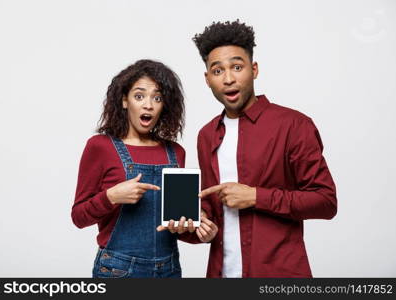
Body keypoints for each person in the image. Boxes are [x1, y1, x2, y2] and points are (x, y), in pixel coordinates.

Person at [192, 20, 338, 278]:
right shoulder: (206, 135)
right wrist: (202, 225)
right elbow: (214, 215)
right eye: (218, 71)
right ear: (207, 79)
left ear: (254, 69)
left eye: (237, 67)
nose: (228, 79)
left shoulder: (294, 125)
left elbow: (325, 201)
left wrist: (256, 197)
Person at [71, 59, 216, 278]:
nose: (148, 105)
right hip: (117, 270)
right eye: (139, 96)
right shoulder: (100, 146)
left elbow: (175, 225)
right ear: (124, 101)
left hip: (169, 269)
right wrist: (111, 196)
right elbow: (79, 216)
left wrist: (200, 234)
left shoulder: (175, 152)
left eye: (157, 98)